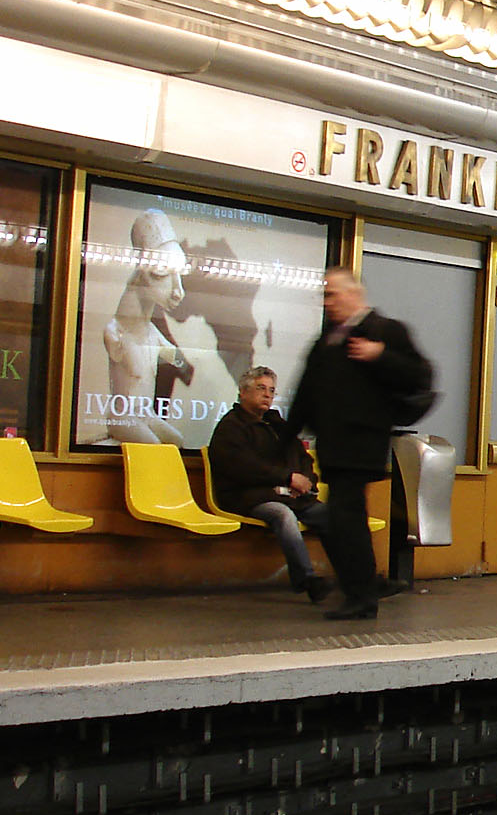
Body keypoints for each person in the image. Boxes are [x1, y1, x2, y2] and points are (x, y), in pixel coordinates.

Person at [286, 269, 433, 619]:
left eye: (334, 294)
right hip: (334, 446)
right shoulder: (328, 339)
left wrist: (380, 355)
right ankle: (363, 587)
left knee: (347, 518)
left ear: (355, 294)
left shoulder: (385, 331)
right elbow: (307, 391)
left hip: (362, 444)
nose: (328, 302)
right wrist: (286, 434)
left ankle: (363, 596)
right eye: (325, 295)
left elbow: (421, 375)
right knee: (342, 520)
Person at [209, 366, 331, 602]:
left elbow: (303, 458)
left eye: (272, 390)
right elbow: (244, 468)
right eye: (260, 388)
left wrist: (305, 481)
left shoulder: (277, 425)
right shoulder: (230, 428)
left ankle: (358, 579)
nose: (267, 395)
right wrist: (287, 479)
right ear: (243, 392)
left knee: (333, 517)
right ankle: (307, 580)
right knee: (283, 514)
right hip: (249, 497)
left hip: (291, 494)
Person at [100, 207, 194, 444]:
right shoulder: (115, 331)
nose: (177, 292)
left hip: (146, 415)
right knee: (153, 448)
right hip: (125, 417)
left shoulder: (153, 334)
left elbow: (181, 363)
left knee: (178, 442)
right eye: (161, 275)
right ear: (141, 276)